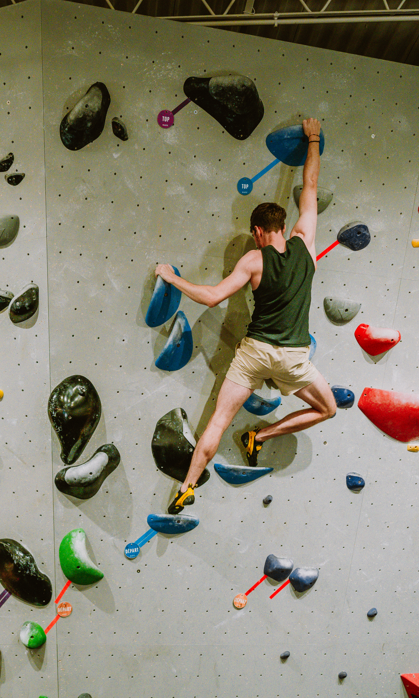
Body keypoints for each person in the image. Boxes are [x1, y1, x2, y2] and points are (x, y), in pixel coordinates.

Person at [155, 117, 337, 515]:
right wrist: (313, 137)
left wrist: (172, 278)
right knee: (327, 409)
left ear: (257, 231)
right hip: (292, 357)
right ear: (284, 226)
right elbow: (309, 188)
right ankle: (262, 436)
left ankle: (186, 489)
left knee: (218, 421)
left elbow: (211, 296)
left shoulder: (254, 259)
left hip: (254, 353)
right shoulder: (306, 246)